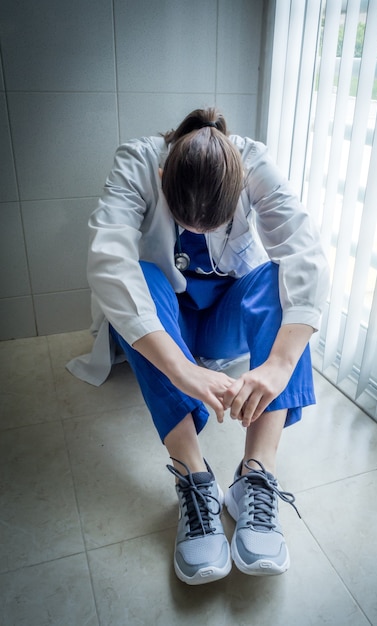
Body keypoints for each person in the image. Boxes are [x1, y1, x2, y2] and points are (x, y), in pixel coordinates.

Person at [67, 107, 329, 585]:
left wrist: (280, 362)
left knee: (279, 281)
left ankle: (255, 474)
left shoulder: (255, 165)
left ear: (242, 182)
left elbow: (304, 253)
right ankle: (193, 476)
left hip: (220, 322)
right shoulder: (139, 162)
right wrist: (179, 369)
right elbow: (108, 258)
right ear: (164, 177)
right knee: (137, 280)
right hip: (168, 321)